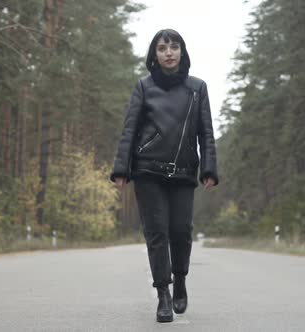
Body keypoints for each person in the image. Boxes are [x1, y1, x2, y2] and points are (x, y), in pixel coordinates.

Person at [110, 29, 218, 323]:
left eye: (174, 47)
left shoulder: (198, 88)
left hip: (183, 173)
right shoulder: (143, 87)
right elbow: (130, 129)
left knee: (181, 231)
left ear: (182, 52)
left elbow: (205, 133)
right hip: (148, 171)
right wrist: (122, 168)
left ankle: (180, 278)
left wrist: (209, 168)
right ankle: (164, 295)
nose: (168, 52)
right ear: (154, 54)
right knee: (157, 233)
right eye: (162, 47)